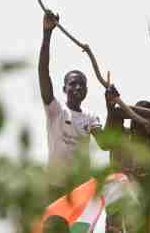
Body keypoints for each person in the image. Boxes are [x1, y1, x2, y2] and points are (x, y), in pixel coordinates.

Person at [38, 11, 103, 175]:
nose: (78, 87)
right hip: (55, 187)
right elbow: (43, 71)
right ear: (64, 89)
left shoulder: (91, 117)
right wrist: (47, 34)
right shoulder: (56, 111)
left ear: (87, 91)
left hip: (80, 188)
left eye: (82, 85)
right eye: (73, 84)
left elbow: (104, 143)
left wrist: (111, 106)